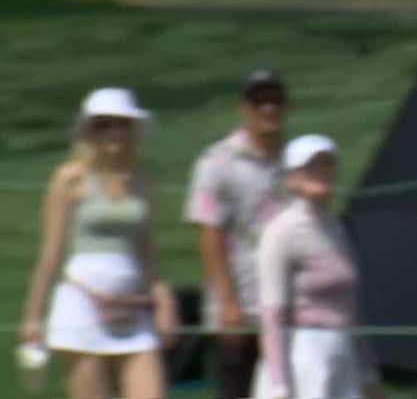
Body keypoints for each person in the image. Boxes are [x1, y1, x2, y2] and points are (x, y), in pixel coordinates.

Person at [20, 87, 178, 399]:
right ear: (89, 131)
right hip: (82, 303)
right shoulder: (70, 178)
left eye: (121, 124)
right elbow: (51, 253)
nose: (114, 132)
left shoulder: (140, 181)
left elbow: (147, 250)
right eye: (104, 124)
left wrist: (164, 299)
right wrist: (33, 317)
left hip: (133, 307)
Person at [252, 135, 383, 399]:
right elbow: (272, 316)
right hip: (302, 357)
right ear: (292, 178)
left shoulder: (337, 228)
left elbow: (353, 310)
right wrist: (279, 387)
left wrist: (369, 373)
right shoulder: (281, 231)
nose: (322, 172)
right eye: (311, 166)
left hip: (342, 354)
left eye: (327, 164)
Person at [185, 68, 289, 398]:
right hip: (240, 307)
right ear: (243, 108)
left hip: (286, 304)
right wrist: (228, 304)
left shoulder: (296, 160)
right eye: (259, 101)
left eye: (275, 100)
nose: (268, 109)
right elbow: (209, 234)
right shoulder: (218, 162)